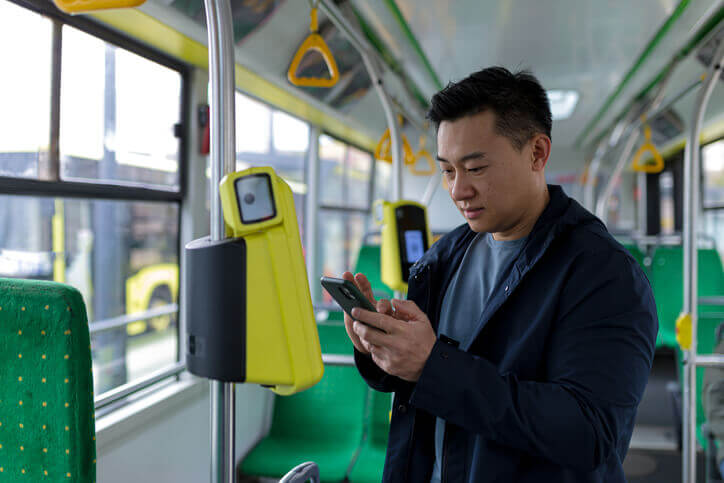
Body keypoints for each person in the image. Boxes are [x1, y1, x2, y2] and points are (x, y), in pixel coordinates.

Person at [341, 66, 658, 482]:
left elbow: (588, 433)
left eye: (475, 168)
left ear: (537, 154)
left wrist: (433, 365)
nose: (457, 190)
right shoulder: (447, 254)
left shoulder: (603, 274)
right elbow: (421, 383)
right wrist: (380, 350)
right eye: (448, 170)